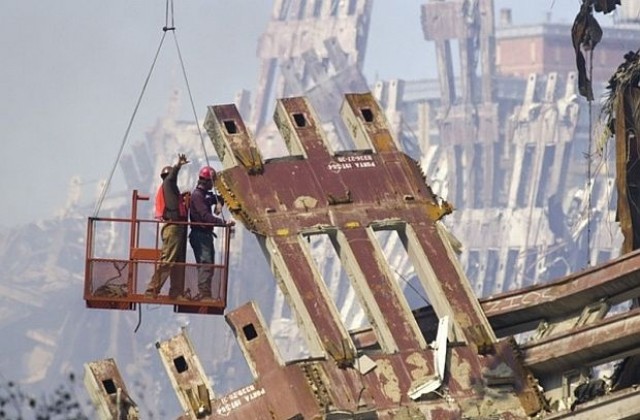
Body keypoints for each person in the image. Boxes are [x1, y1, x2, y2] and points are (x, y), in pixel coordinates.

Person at [144, 154, 190, 300]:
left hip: (176, 227)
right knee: (168, 260)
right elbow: (171, 178)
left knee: (177, 262)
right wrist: (178, 166)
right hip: (173, 228)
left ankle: (176, 292)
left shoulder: (170, 190)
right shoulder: (168, 184)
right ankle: (152, 290)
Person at [189, 166, 235, 301]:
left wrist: (219, 202)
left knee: (207, 263)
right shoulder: (197, 196)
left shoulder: (203, 195)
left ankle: (205, 292)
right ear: (207, 181)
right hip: (200, 235)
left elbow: (214, 199)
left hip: (203, 235)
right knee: (206, 263)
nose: (212, 185)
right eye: (212, 182)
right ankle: (204, 294)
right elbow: (205, 216)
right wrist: (222, 222)